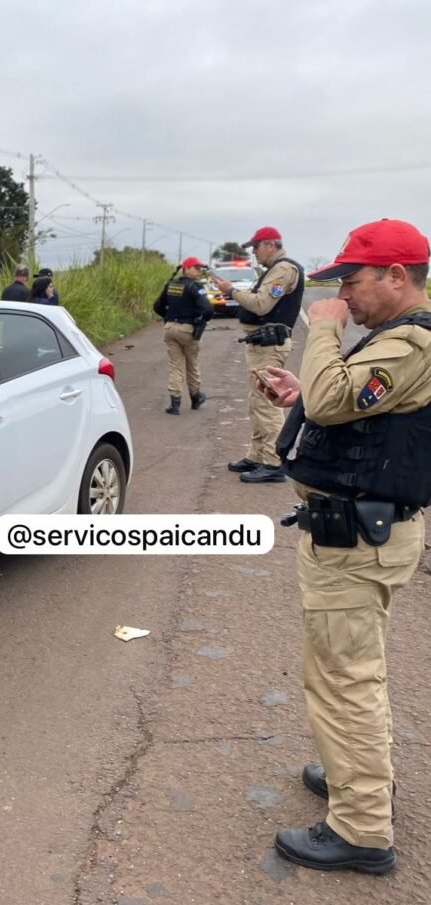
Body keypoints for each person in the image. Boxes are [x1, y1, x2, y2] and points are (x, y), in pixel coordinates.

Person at [257, 219, 431, 874]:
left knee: (343, 677)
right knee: (353, 668)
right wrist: (304, 394)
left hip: (358, 538)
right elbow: (347, 407)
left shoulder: (412, 342)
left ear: (396, 275)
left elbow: (336, 402)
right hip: (359, 529)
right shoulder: (393, 341)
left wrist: (321, 331)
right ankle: (356, 776)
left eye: (351, 282)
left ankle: (361, 826)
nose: (343, 296)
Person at [213, 226, 304, 484]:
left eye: (256, 247)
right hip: (260, 344)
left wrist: (231, 291)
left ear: (270, 245)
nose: (254, 252)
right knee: (257, 401)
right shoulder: (273, 270)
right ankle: (257, 454)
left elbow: (261, 304)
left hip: (269, 345)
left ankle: (274, 462)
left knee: (268, 403)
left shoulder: (284, 270)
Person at [152, 256, 212, 414]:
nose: (199, 271)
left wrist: (168, 317)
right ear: (186, 269)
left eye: (200, 268)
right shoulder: (195, 287)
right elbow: (207, 310)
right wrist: (200, 320)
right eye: (196, 268)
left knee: (175, 366)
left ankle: (175, 403)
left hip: (170, 328)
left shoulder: (171, 284)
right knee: (192, 364)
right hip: (187, 330)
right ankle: (196, 397)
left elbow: (157, 306)